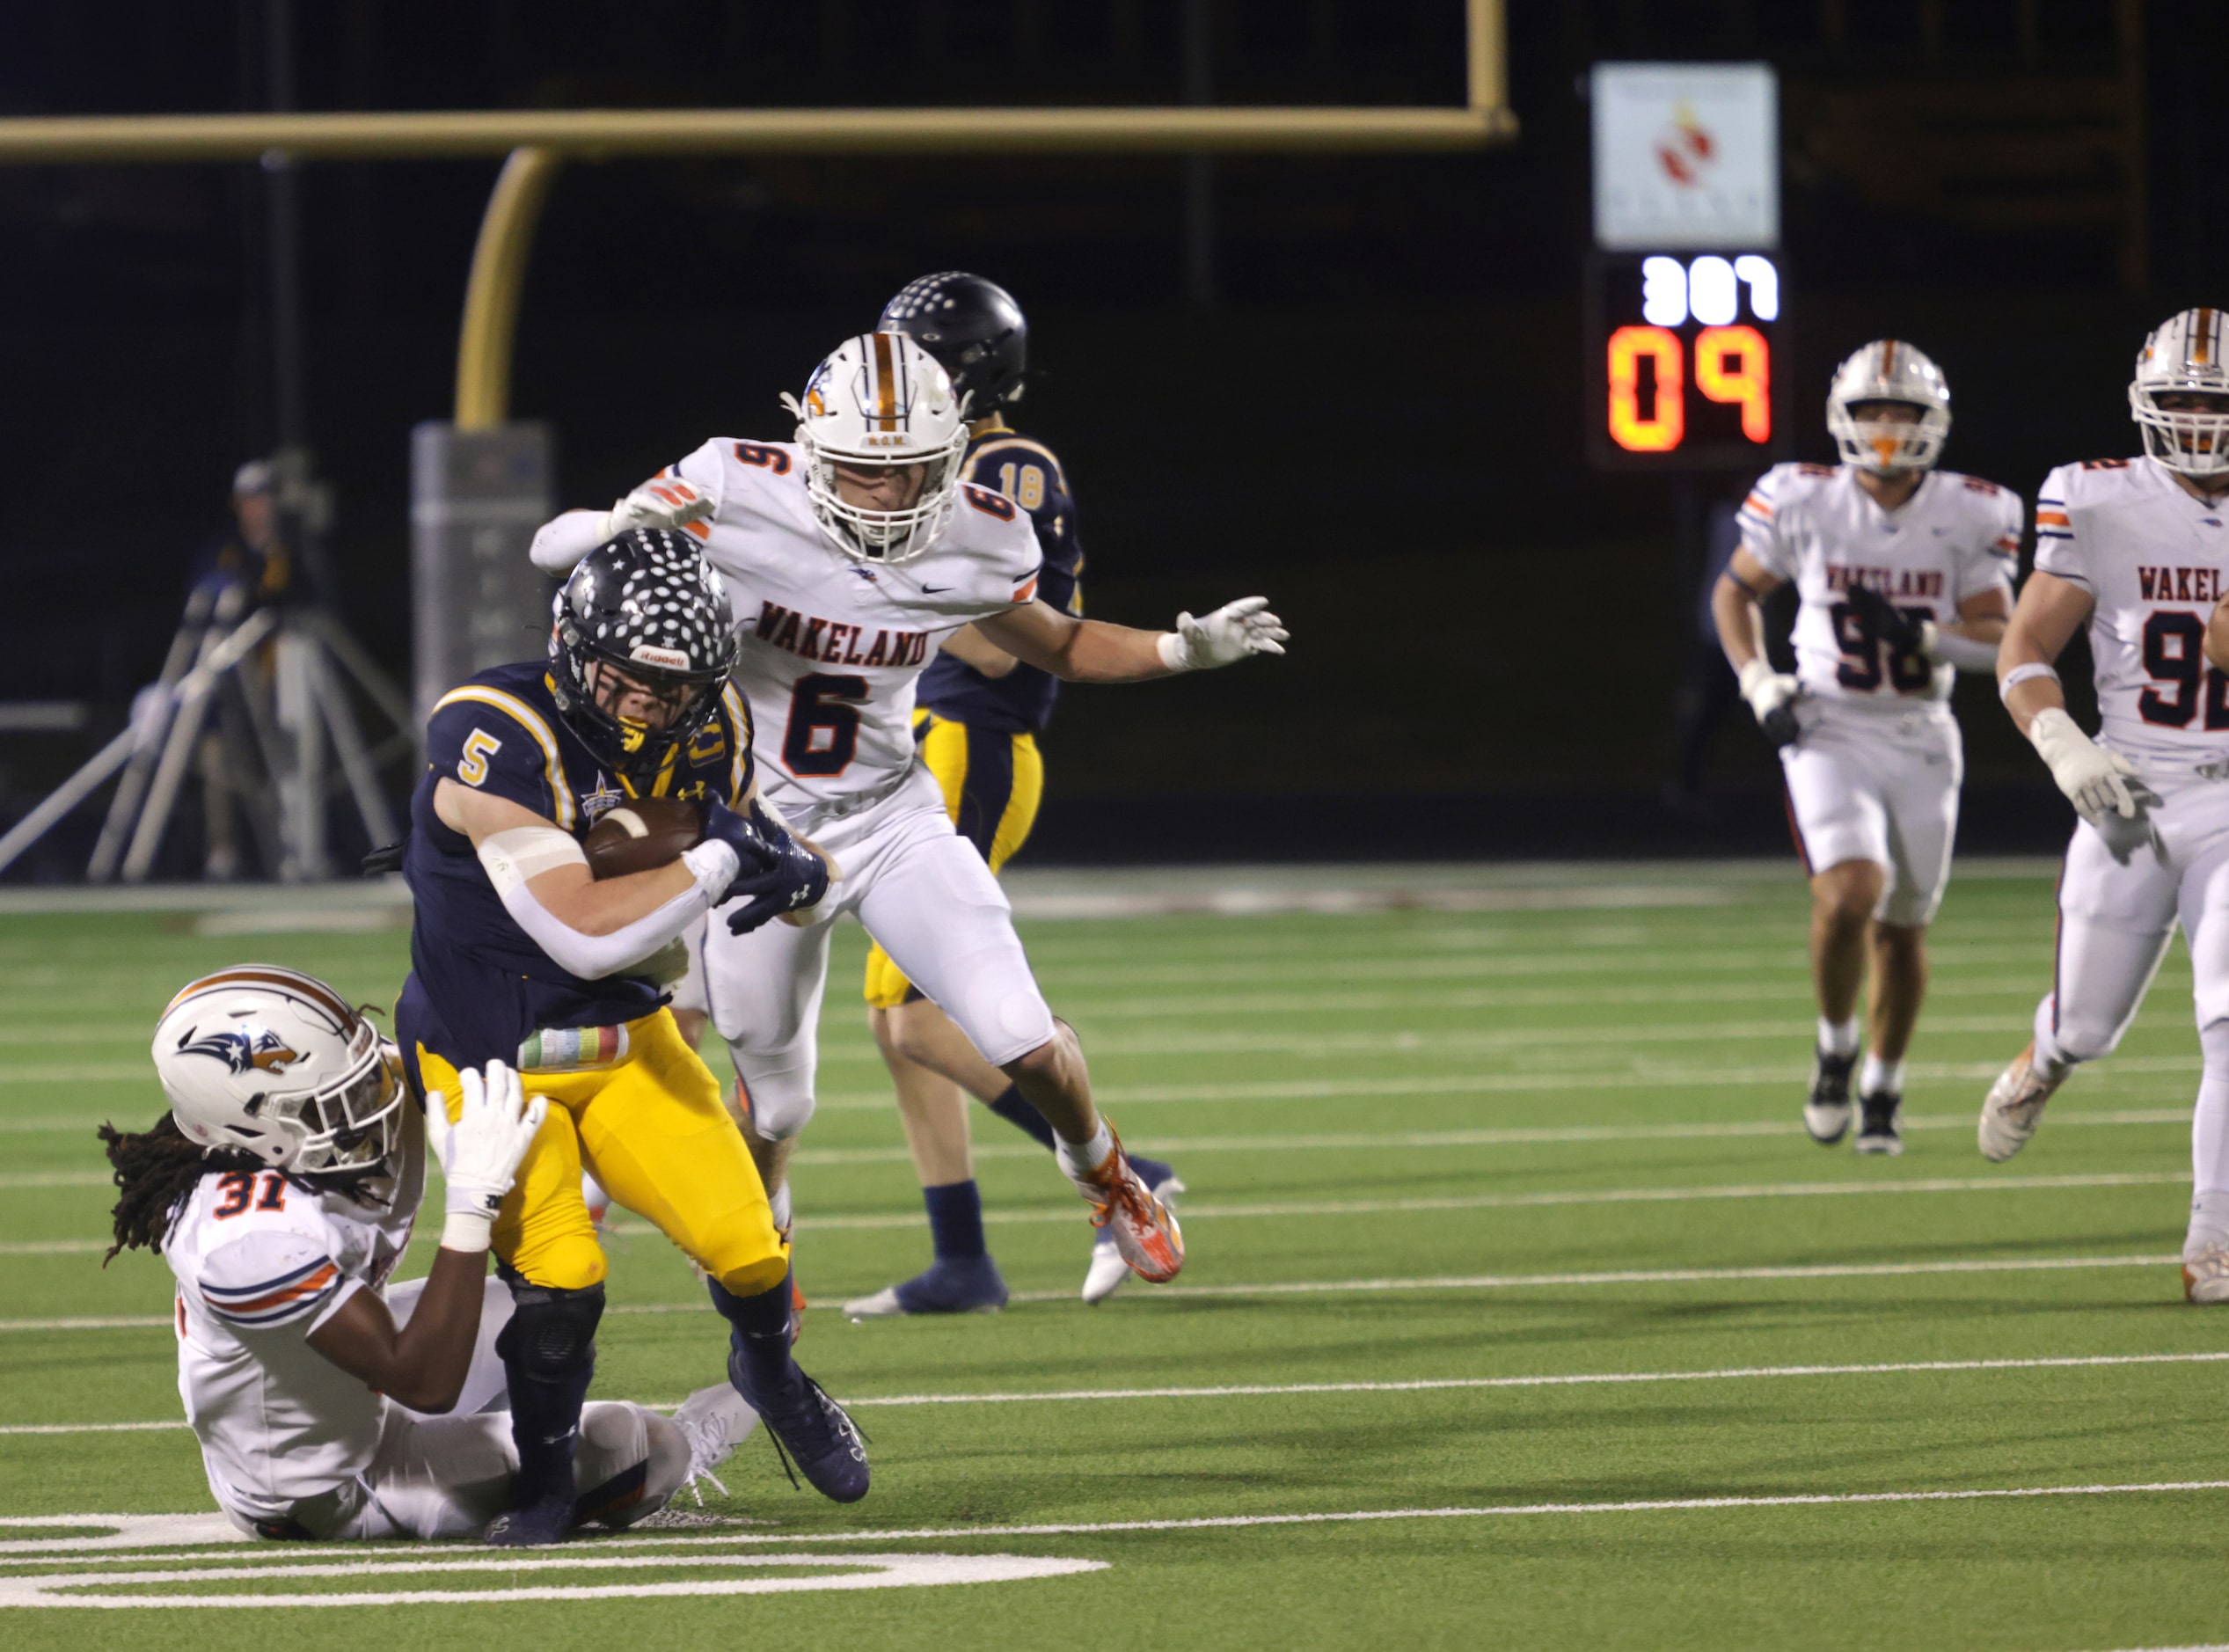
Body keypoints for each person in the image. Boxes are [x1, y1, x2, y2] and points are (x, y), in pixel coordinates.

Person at [528, 332, 1285, 1305]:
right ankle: (762, 1268)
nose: (884, 496)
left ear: (951, 451)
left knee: (1018, 1029)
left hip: (891, 817)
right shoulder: (732, 482)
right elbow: (558, 551)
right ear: (808, 444)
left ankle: (1102, 1173)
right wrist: (621, 522)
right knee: (776, 1098)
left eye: (909, 472)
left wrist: (1180, 654)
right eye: (858, 471)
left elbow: (1052, 643)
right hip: (758, 839)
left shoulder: (984, 529)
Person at [396, 526, 864, 1547]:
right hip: (490, 1056)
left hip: (623, 1045)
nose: (649, 706)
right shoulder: (495, 729)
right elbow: (580, 929)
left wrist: (794, 873)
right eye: (625, 681)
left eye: (675, 687)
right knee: (561, 1286)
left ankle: (772, 1375)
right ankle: (547, 1484)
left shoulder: (714, 725)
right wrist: (718, 860)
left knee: (746, 1247)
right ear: (570, 644)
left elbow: (779, 882)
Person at [99, 964, 755, 1541]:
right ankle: (659, 1458)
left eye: (363, 1079)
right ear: (247, 1129)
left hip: (348, 1387)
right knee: (645, 1446)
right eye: (338, 1103)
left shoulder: (349, 1097)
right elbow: (426, 1381)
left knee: (538, 1309)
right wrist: (470, 1205)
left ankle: (503, 1454)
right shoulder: (244, 1241)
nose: (375, 1104)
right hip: (322, 1484)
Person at [835, 272, 1181, 1316]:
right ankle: (961, 1258)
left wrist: (887, 601)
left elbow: (997, 655)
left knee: (916, 1017)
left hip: (968, 746)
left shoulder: (1005, 466)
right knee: (894, 1026)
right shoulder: (927, 461)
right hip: (922, 746)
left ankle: (1129, 1168)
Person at [1714, 340, 2019, 1154]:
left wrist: (1928, 635)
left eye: (1903, 410)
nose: (1886, 426)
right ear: (1841, 419)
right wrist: (1758, 682)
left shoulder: (1972, 512)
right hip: (1828, 726)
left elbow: (2003, 641)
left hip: (1920, 733)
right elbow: (1736, 591)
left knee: (1903, 929)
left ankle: (1883, 1081)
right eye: (1871, 409)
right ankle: (1834, 1043)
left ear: (1934, 421)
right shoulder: (1804, 499)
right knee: (1852, 892)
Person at [1980, 306, 2229, 1303]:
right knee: (2088, 1024)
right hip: (2125, 789)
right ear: (2143, 402)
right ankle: (2043, 1059)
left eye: (2215, 401)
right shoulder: (2092, 498)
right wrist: (2058, 743)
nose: (2199, 421)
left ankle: (2210, 1238)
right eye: (2181, 399)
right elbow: (2021, 649)